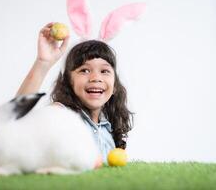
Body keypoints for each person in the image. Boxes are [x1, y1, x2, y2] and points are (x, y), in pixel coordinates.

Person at [16, 23, 133, 162]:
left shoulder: (109, 129)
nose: (96, 78)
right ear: (68, 82)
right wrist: (43, 63)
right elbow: (17, 118)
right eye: (84, 70)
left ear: (114, 86)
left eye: (104, 71)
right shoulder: (61, 115)